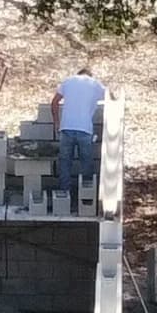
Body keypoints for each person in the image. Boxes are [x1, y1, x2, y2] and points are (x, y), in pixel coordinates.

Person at [53, 62, 107, 207]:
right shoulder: (95, 84)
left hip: (66, 128)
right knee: (86, 164)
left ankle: (64, 197)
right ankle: (86, 199)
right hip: (85, 129)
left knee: (65, 163)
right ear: (89, 75)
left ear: (78, 74)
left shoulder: (68, 81)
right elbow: (111, 97)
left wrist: (57, 123)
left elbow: (54, 102)